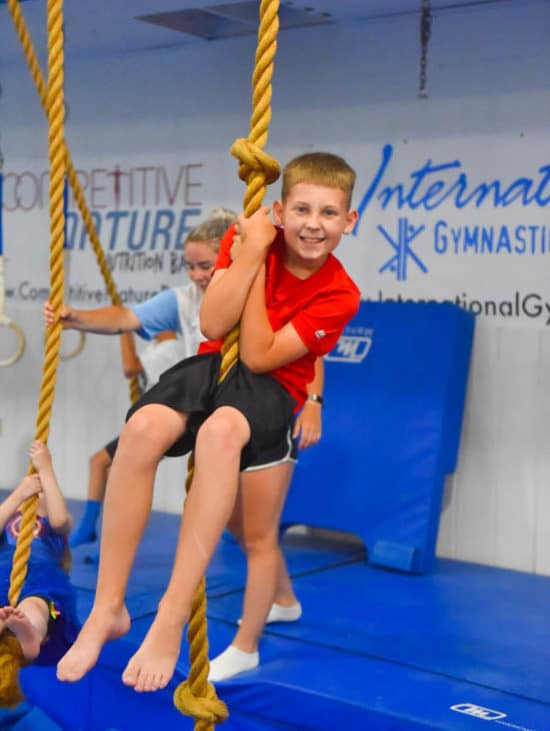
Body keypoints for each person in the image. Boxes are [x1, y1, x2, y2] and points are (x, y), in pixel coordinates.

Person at [53, 151, 360, 692]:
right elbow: (215, 322)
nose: (314, 224)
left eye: (330, 213)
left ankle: (175, 618)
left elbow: (264, 356)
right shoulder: (245, 243)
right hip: (213, 364)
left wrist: (259, 262)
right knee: (142, 429)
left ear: (348, 221)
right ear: (279, 211)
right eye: (303, 209)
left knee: (236, 476)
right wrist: (249, 256)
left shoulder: (340, 293)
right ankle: (108, 607)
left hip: (270, 388)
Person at [69, 209, 237, 548]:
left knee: (234, 486)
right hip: (196, 401)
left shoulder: (254, 291)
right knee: (129, 447)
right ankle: (97, 531)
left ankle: (239, 532)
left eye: (205, 266)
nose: (196, 275)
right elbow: (127, 317)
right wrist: (75, 317)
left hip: (237, 401)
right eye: (190, 266)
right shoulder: (184, 300)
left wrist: (312, 401)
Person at [0, 441, 78, 707]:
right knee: (25, 607)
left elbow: (58, 519)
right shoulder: (9, 520)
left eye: (43, 493)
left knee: (34, 604)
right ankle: (27, 633)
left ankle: (30, 631)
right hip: (5, 577)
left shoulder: (56, 528)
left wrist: (47, 468)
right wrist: (19, 493)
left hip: (41, 578)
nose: (37, 496)